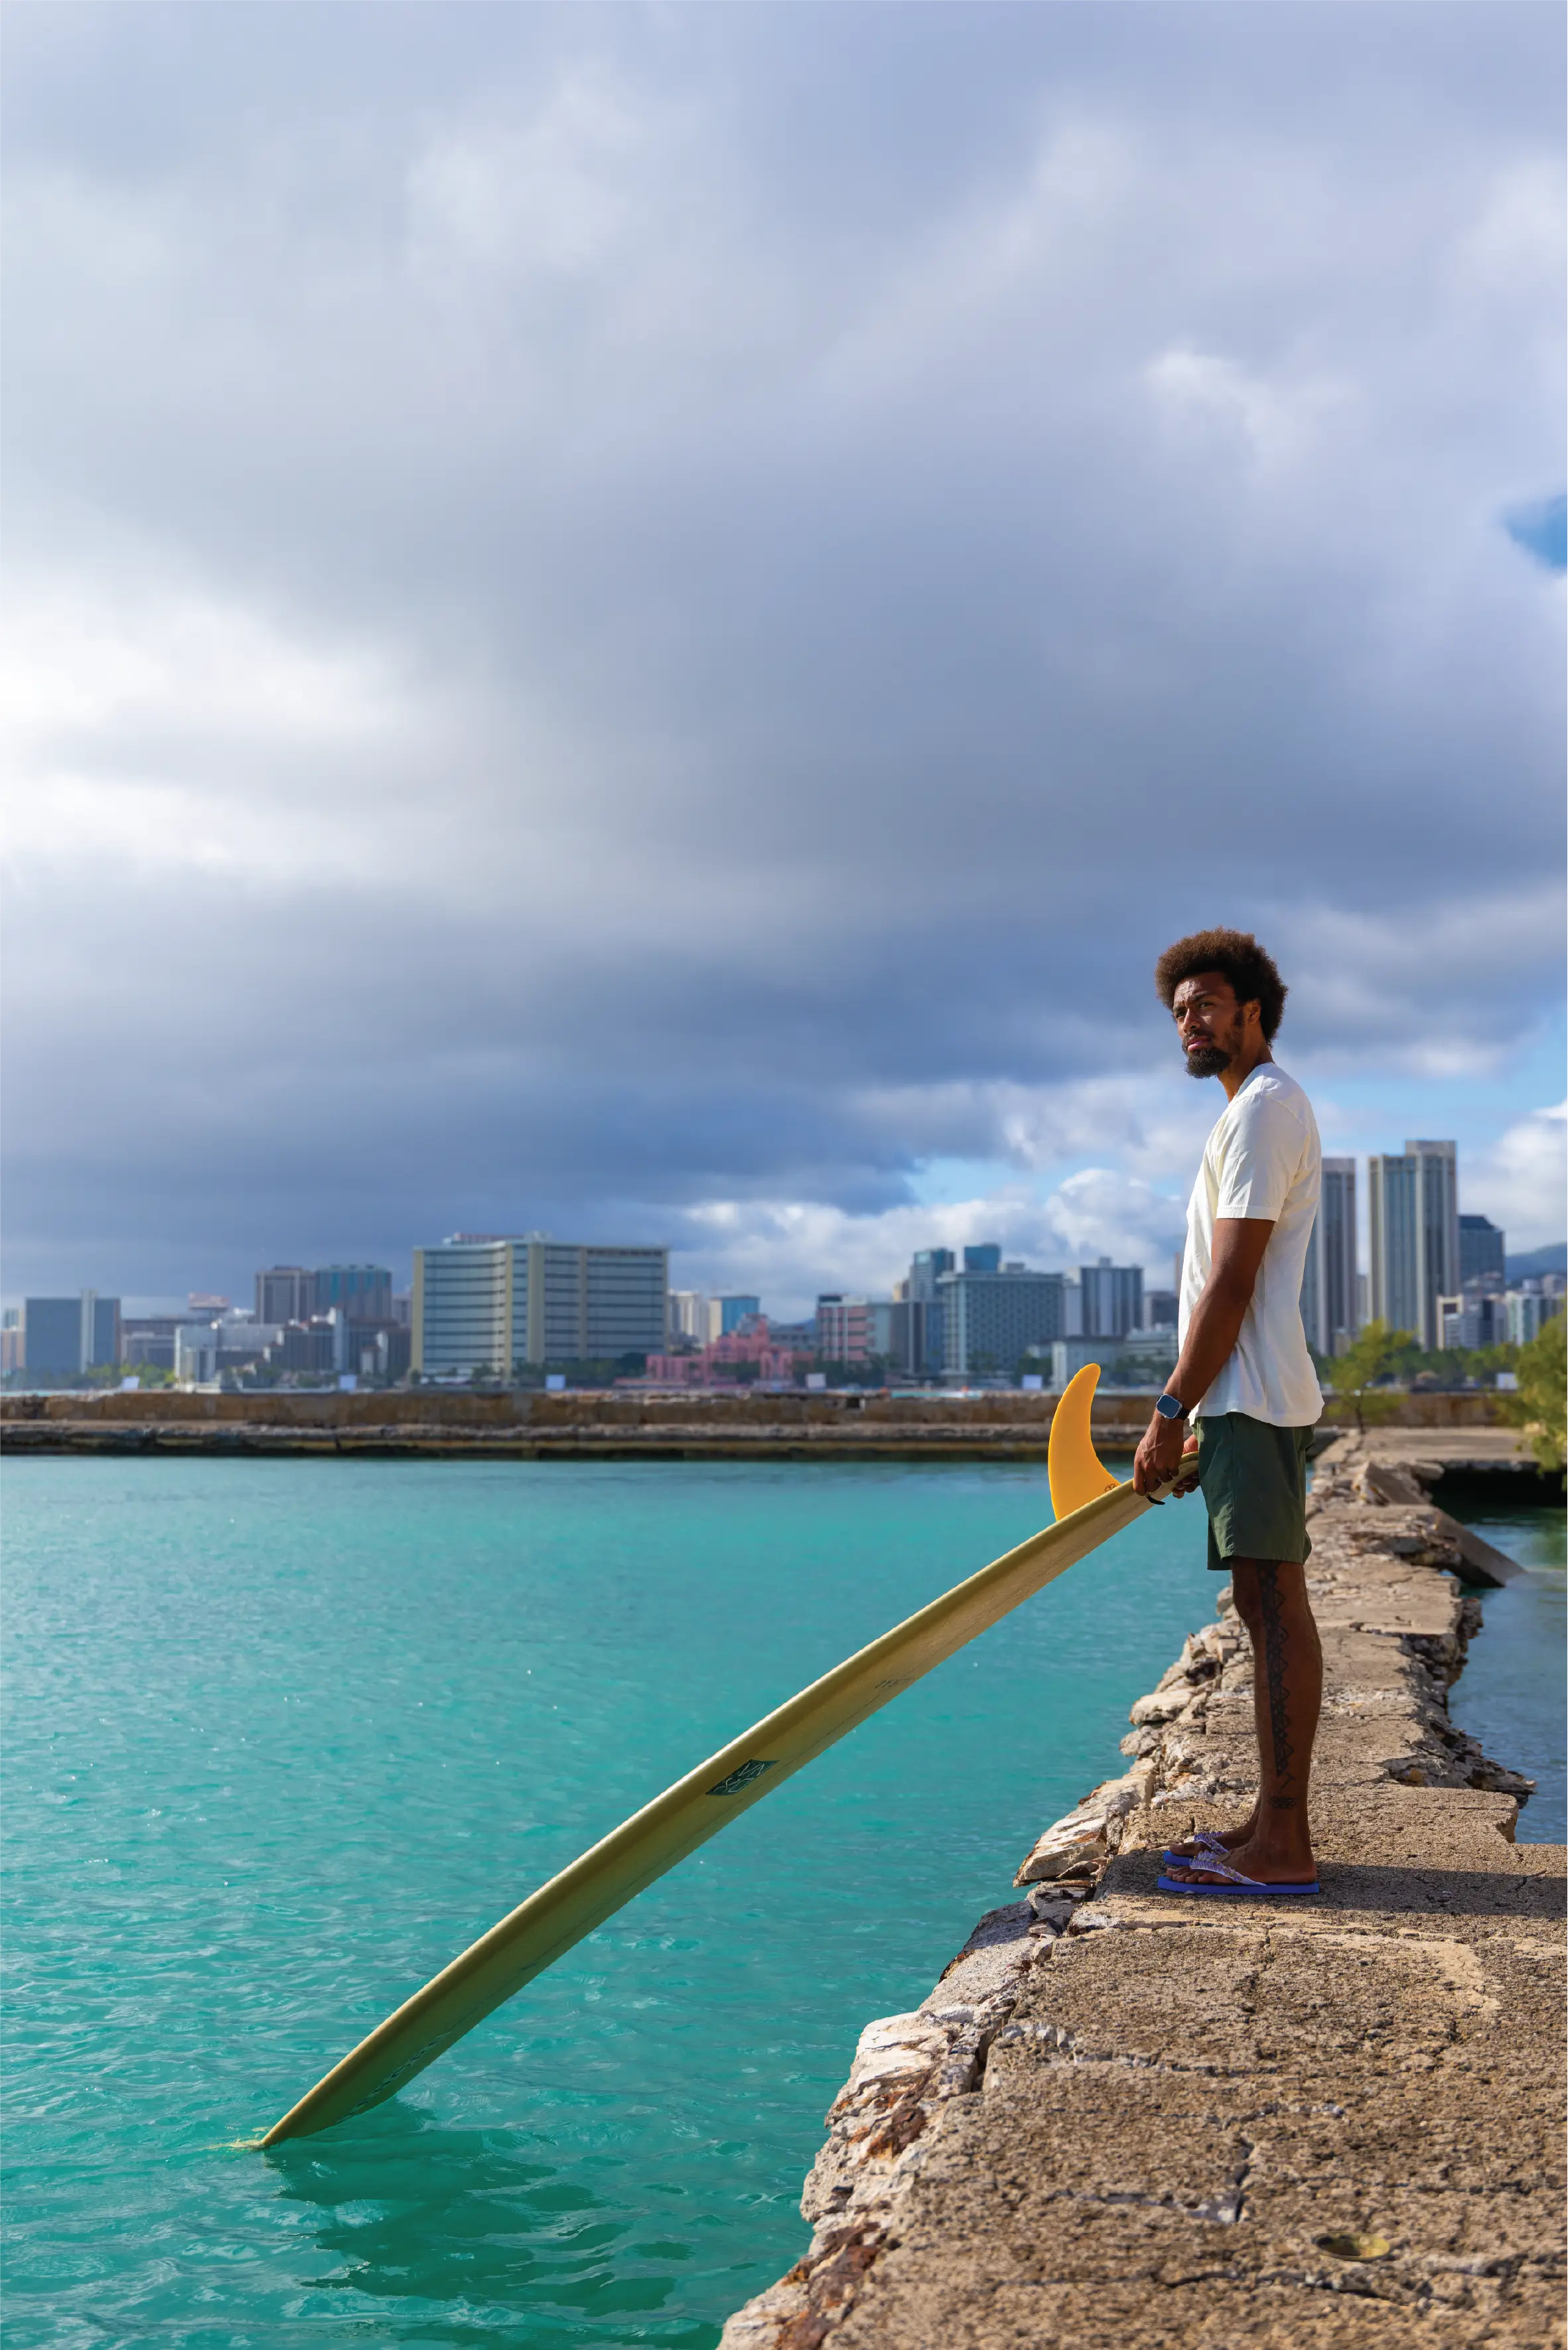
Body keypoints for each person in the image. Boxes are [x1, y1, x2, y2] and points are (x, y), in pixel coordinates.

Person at [1132, 928, 1324, 1896]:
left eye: (1205, 1004)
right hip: (1243, 1400)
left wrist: (1172, 1409)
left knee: (1274, 1605)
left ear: (1252, 1012)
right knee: (1260, 1602)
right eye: (1177, 1011)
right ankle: (1267, 1823)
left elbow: (1233, 1282)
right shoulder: (1247, 1111)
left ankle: (1282, 1846)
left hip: (1246, 1396)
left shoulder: (1263, 1111)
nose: (1188, 1024)